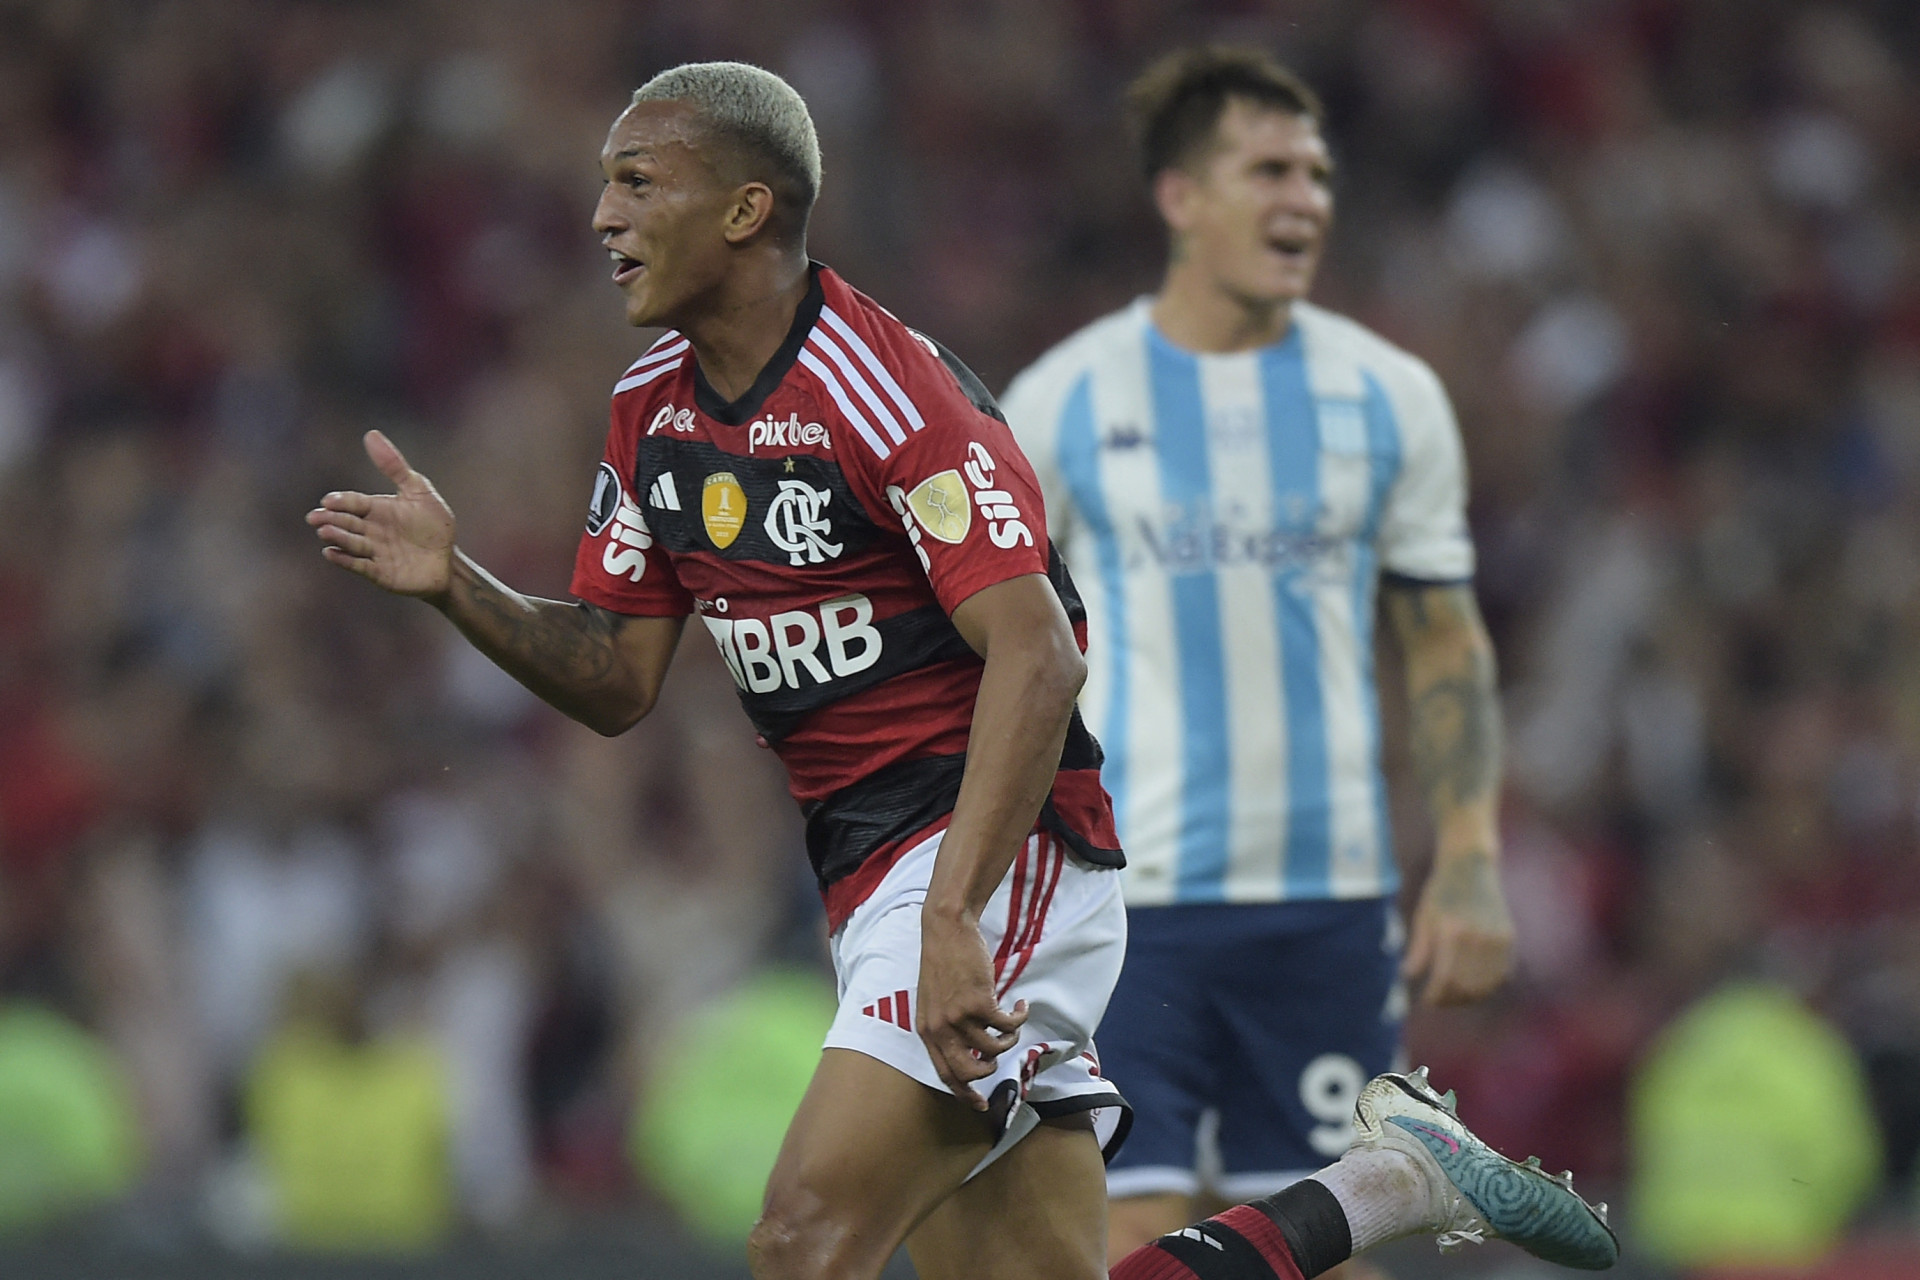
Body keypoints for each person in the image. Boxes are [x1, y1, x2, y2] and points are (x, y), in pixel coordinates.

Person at [308, 60, 1615, 1280]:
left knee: (800, 1239)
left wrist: (952, 918)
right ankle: (1391, 1184)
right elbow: (613, 680)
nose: (602, 214)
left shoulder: (887, 390)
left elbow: (1038, 656)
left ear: (747, 209)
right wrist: (457, 585)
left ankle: (1384, 1176)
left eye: (639, 180)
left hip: (993, 850)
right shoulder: (649, 410)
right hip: (870, 872)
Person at [997, 46, 1520, 1269]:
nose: (1306, 199)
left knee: (1344, 1238)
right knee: (1126, 1231)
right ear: (1180, 194)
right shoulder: (1063, 399)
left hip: (1327, 902)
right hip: (1129, 901)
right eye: (1270, 169)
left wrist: (1473, 853)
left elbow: (1443, 641)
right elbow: (996, 652)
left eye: (1320, 173)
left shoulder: (1389, 396)